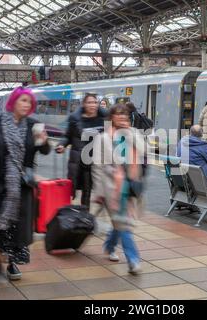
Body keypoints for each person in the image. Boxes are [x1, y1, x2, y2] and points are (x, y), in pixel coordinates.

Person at [0, 87, 50, 281]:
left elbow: (44, 151)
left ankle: (12, 262)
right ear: (13, 102)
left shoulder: (33, 125)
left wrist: (44, 142)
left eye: (29, 102)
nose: (26, 105)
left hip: (20, 184)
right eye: (23, 101)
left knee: (17, 224)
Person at [92, 103, 144, 274]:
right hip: (111, 188)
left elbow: (144, 152)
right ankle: (133, 260)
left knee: (119, 223)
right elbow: (97, 167)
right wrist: (99, 192)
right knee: (124, 224)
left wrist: (129, 134)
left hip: (130, 185)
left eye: (125, 115)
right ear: (111, 117)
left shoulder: (134, 133)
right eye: (119, 114)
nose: (122, 117)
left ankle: (109, 244)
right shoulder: (103, 138)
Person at [55, 93, 108, 209]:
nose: (92, 105)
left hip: (96, 162)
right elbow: (67, 136)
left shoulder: (104, 119)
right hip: (79, 161)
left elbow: (111, 137)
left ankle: (85, 217)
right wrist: (61, 145)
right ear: (84, 104)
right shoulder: (76, 119)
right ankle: (70, 214)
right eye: (89, 102)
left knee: (87, 191)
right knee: (72, 190)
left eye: (95, 102)